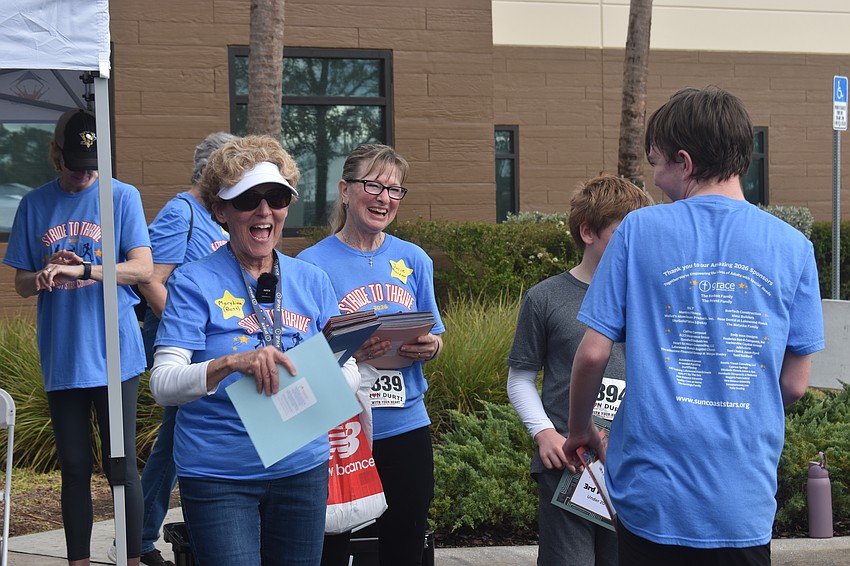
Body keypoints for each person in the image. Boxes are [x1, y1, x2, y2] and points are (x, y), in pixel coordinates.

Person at [564, 86, 825, 565]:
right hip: (743, 498)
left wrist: (579, 429)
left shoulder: (637, 232)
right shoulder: (794, 247)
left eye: (657, 164)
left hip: (652, 494)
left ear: (684, 162)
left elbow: (593, 353)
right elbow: (795, 383)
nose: (655, 178)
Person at [148, 135, 361, 566]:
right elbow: (162, 384)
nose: (264, 211)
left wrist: (314, 373)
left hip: (303, 467)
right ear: (221, 211)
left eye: (277, 197)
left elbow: (350, 369)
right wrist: (230, 363)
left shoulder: (312, 280)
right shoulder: (192, 282)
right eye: (248, 199)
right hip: (219, 475)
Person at [3, 108, 152, 565]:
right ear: (56, 155)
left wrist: (84, 268)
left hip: (116, 354)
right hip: (64, 353)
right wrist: (46, 276)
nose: (82, 174)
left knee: (121, 467)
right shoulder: (35, 204)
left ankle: (129, 558)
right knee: (74, 468)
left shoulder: (122, 197)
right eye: (73, 164)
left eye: (90, 165)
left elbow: (142, 269)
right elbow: (20, 282)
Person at [297, 143, 445, 566]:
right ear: (345, 191)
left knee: (405, 540)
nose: (384, 198)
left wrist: (430, 346)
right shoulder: (311, 265)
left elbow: (436, 334)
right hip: (340, 430)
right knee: (333, 545)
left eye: (395, 190)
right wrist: (347, 349)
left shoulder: (413, 259)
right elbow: (301, 352)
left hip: (405, 423)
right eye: (374, 185)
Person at [506, 174, 652, 566]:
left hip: (633, 465)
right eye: (624, 233)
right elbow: (520, 377)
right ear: (587, 231)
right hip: (570, 466)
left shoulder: (651, 301)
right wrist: (544, 433)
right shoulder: (545, 298)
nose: (635, 245)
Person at [118, 132, 234, 566]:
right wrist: (195, 334)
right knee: (173, 441)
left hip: (206, 349)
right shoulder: (180, 212)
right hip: (182, 347)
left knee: (174, 441)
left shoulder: (215, 217)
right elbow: (150, 278)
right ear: (210, 172)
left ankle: (141, 538)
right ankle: (139, 540)